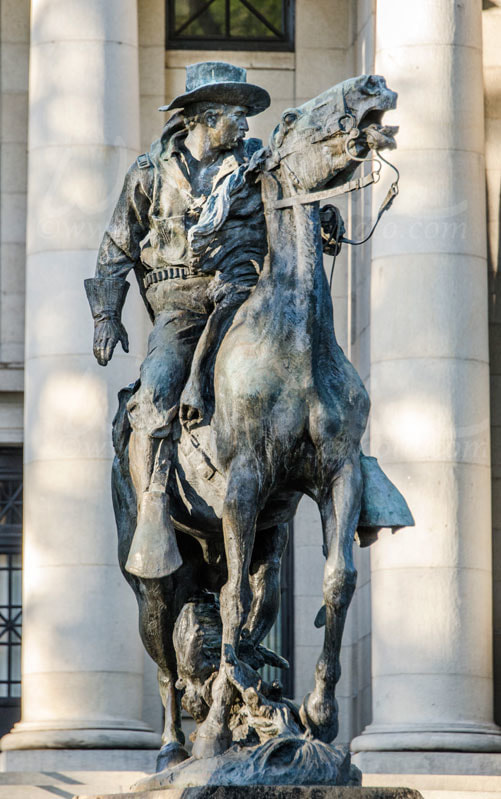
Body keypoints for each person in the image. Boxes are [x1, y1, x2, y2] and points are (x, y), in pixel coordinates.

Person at [85, 62, 271, 580]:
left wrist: (322, 217)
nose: (244, 127)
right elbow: (116, 247)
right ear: (204, 118)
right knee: (158, 388)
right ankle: (153, 497)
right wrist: (106, 315)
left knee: (311, 359)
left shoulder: (257, 165)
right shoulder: (150, 173)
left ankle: (354, 470)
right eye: (235, 116)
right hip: (182, 303)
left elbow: (291, 206)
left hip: (245, 294)